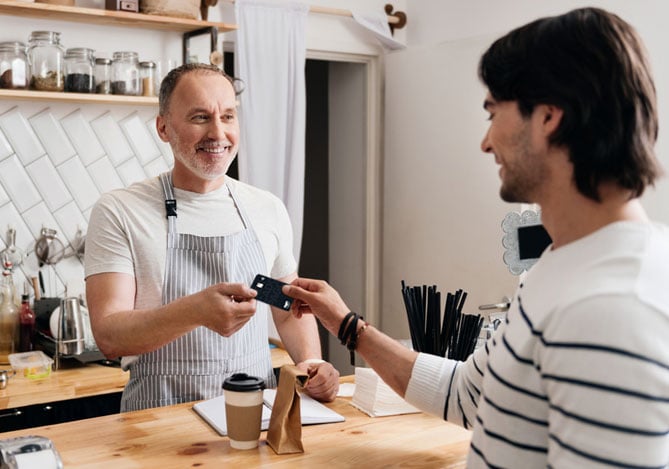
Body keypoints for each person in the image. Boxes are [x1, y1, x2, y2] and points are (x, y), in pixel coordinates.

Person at [282, 7, 669, 468]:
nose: (486, 142)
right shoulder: (558, 270)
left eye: (493, 113)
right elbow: (467, 394)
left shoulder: (612, 308)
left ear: (549, 117)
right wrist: (349, 326)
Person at [84, 63, 339, 412]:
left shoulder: (266, 208)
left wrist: (311, 362)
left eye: (229, 116)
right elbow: (109, 335)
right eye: (200, 117)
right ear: (163, 127)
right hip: (157, 424)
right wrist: (194, 311)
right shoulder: (120, 210)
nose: (218, 133)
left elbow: (287, 309)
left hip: (253, 418)